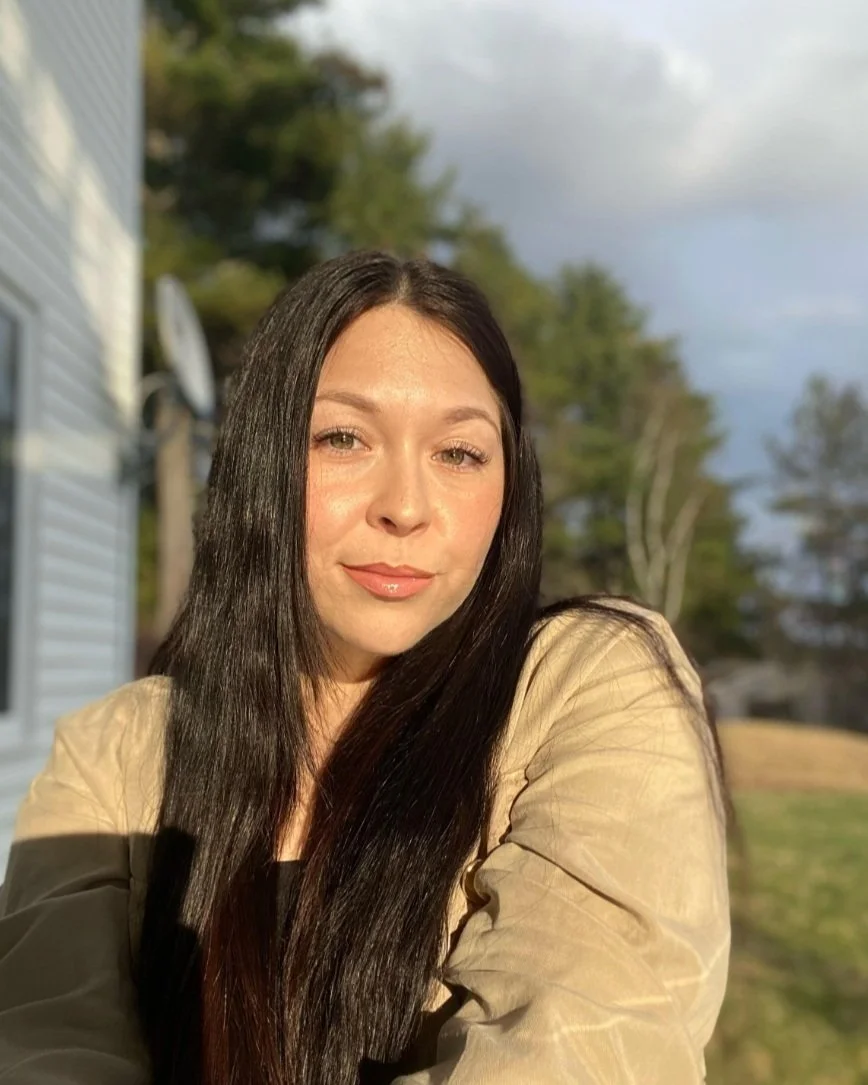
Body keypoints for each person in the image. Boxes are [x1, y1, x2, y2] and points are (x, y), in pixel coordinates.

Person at [0, 251, 731, 1084]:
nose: (406, 507)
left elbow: (581, 1040)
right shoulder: (117, 753)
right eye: (343, 438)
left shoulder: (584, 685)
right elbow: (44, 1039)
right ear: (263, 463)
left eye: (459, 453)